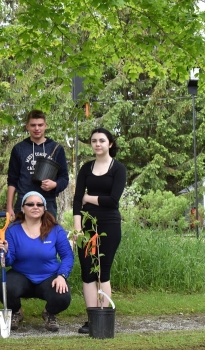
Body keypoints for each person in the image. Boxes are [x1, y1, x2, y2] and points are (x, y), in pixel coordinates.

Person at [73, 128, 126, 334]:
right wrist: (77, 228)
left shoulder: (118, 169)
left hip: (110, 226)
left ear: (110, 144)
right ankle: (92, 318)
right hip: (86, 226)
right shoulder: (86, 168)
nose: (97, 144)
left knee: (103, 271)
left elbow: (112, 200)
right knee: (87, 271)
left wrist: (89, 198)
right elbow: (77, 199)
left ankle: (104, 316)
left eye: (102, 140)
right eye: (94, 140)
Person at [0, 191, 73, 332]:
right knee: (4, 286)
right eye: (30, 204)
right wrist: (4, 251)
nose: (35, 207)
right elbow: (7, 262)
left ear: (44, 208)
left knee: (63, 296)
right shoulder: (12, 230)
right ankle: (16, 311)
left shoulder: (55, 230)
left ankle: (49, 313)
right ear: (23, 208)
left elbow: (67, 256)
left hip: (48, 276)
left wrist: (62, 275)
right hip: (21, 275)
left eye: (39, 204)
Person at [6, 110, 69, 219]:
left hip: (48, 202)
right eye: (33, 125)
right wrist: (9, 207)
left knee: (48, 235)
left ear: (45, 125)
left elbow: (64, 178)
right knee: (21, 235)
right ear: (27, 126)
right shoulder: (19, 149)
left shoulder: (56, 148)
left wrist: (54, 185)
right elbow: (12, 180)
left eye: (40, 125)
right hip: (24, 200)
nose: (37, 128)